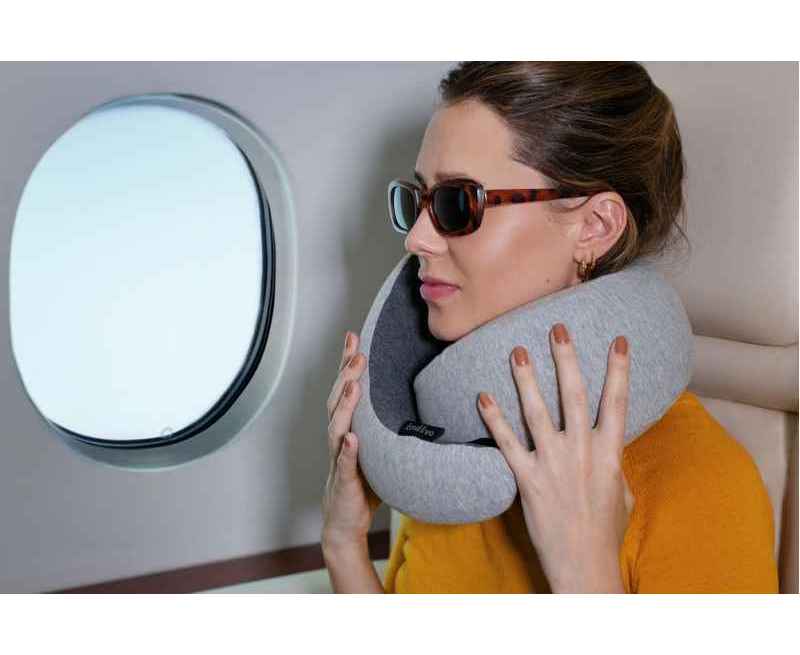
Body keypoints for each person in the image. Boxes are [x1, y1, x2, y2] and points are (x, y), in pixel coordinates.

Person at [321, 61, 779, 593]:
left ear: (594, 226)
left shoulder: (702, 484)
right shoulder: (449, 448)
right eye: (418, 198)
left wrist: (586, 572)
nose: (416, 238)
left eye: (458, 202)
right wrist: (343, 543)